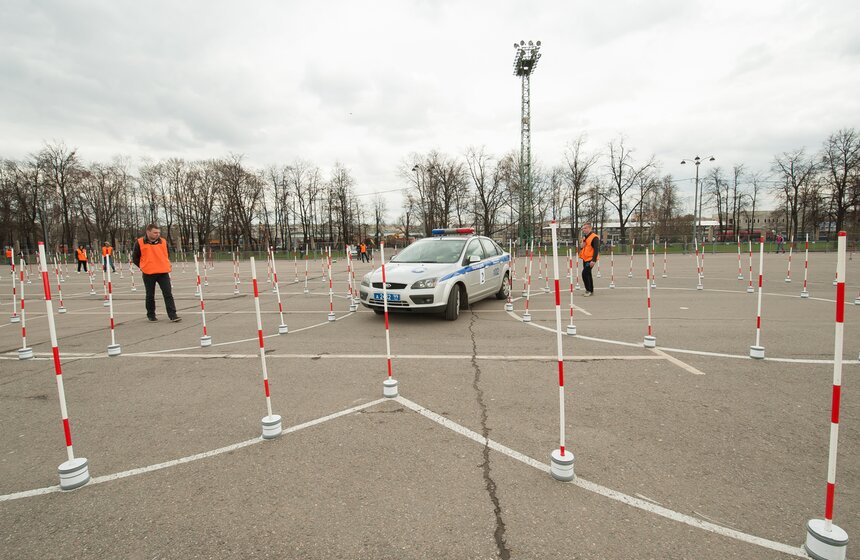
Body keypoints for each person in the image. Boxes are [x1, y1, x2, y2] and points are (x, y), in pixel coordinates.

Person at [132, 224, 181, 322]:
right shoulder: (140, 242)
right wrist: (143, 266)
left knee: (168, 293)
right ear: (148, 232)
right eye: (155, 232)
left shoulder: (163, 241)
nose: (157, 234)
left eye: (158, 232)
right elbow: (135, 258)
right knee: (150, 295)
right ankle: (151, 315)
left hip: (163, 272)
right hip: (148, 273)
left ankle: (173, 315)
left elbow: (167, 254)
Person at [579, 222, 600, 297]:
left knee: (584, 273)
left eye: (585, 228)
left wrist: (593, 260)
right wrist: (582, 246)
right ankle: (590, 290)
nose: (583, 230)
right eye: (583, 228)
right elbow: (582, 247)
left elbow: (596, 250)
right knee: (588, 274)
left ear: (590, 228)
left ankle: (588, 290)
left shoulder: (594, 237)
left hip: (591, 259)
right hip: (585, 258)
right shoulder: (585, 237)